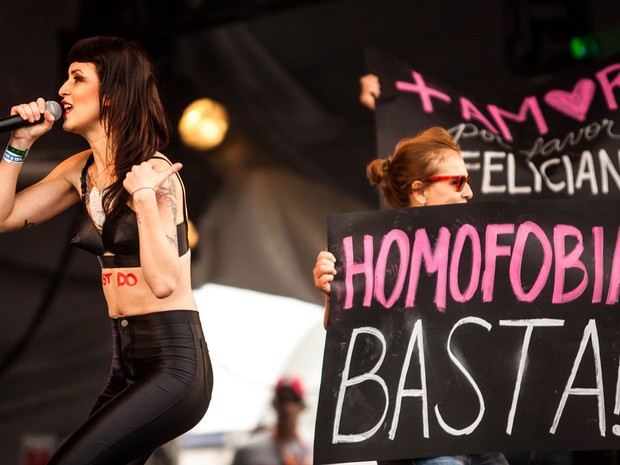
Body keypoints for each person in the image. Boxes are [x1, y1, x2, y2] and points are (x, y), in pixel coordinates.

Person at [0, 36, 213, 465]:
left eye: (77, 78)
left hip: (173, 364)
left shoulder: (156, 174)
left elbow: (164, 281)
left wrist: (146, 202)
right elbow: (4, 218)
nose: (61, 89)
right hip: (126, 365)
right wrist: (18, 145)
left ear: (113, 96)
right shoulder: (79, 169)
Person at [313, 127, 509, 465]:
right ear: (419, 192)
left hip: (476, 427)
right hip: (414, 438)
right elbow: (349, 337)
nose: (469, 192)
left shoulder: (477, 249)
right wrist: (334, 294)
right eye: (457, 182)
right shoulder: (369, 254)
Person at [231, 376, 312, 465]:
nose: (287, 407)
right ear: (274, 404)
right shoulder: (248, 450)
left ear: (303, 406)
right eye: (282, 399)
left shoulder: (309, 452)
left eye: (294, 400)